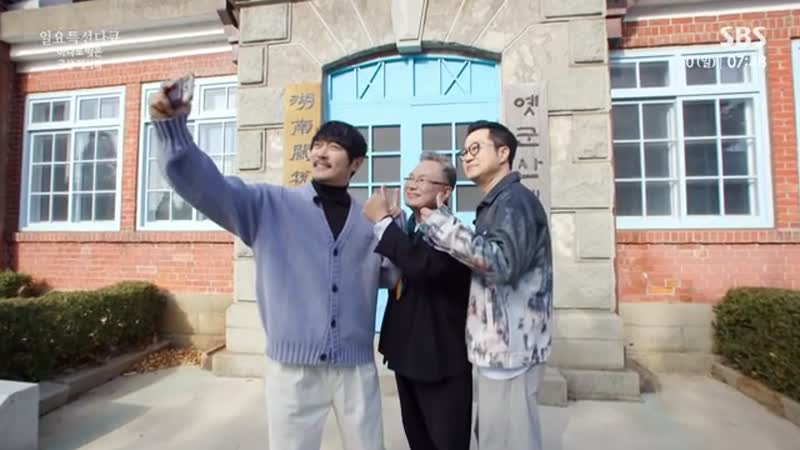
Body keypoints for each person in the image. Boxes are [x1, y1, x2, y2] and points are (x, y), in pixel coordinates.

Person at [149, 75, 400, 450]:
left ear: (356, 163)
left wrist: (392, 229)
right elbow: (206, 186)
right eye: (317, 145)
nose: (321, 153)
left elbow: (390, 277)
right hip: (292, 370)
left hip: (355, 366)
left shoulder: (369, 219)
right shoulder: (268, 206)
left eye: (334, 147)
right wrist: (172, 128)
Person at [418, 121, 554, 450]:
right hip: (500, 348)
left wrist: (442, 224)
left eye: (476, 148)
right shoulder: (499, 202)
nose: (467, 156)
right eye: (465, 151)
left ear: (504, 153)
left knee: (508, 440)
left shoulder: (514, 202)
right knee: (495, 436)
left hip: (511, 349)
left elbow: (501, 263)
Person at [362, 152, 472, 450]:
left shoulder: (452, 233)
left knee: (446, 440)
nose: (412, 184)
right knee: (417, 437)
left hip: (440, 358)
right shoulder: (411, 225)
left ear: (445, 192)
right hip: (406, 353)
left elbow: (421, 265)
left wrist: (383, 222)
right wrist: (393, 225)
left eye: (423, 180)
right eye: (411, 177)